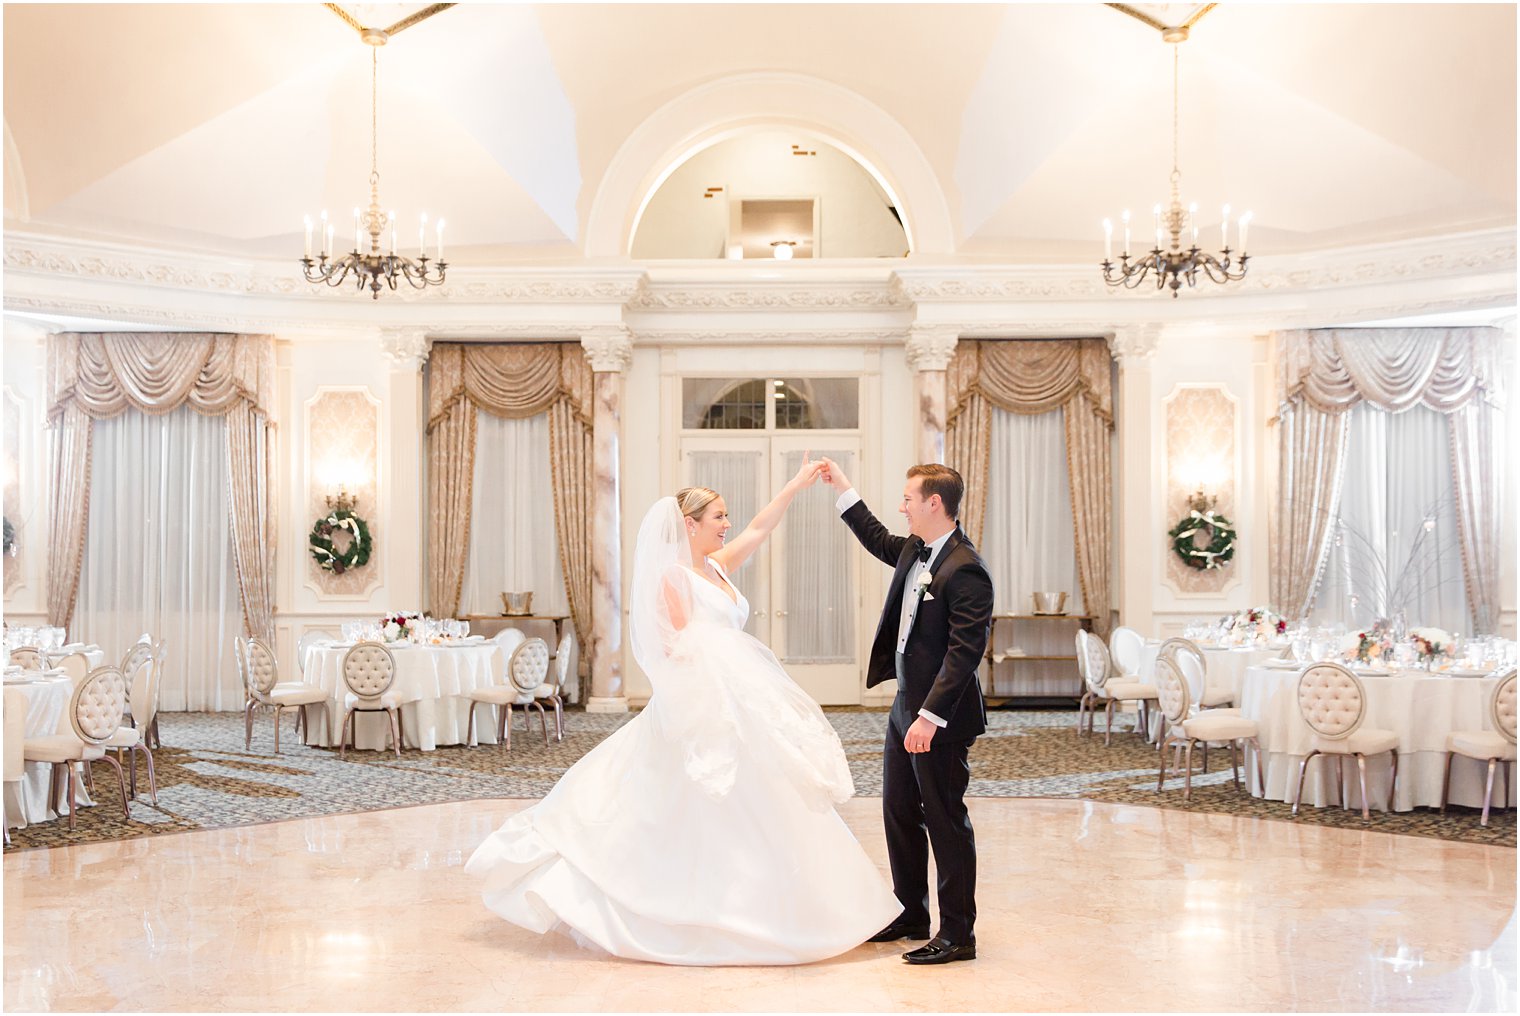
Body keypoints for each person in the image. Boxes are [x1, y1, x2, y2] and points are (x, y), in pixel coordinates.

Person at [465, 456, 900, 965]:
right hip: (704, 704)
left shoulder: (715, 567)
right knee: (681, 803)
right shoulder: (673, 577)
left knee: (765, 801)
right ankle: (682, 903)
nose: (727, 523)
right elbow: (674, 650)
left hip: (741, 697)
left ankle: (782, 903)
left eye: (725, 516)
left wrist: (796, 485)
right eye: (718, 517)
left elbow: (761, 526)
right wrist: (708, 705)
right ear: (689, 525)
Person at [820, 458, 993, 965]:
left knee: (945, 820)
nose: (903, 507)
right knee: (897, 811)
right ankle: (911, 912)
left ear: (933, 503)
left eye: (908, 499)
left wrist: (930, 717)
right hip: (904, 708)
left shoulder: (966, 569)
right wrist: (845, 488)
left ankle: (958, 933)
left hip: (938, 717)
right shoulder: (919, 550)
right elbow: (877, 538)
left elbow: (964, 654)